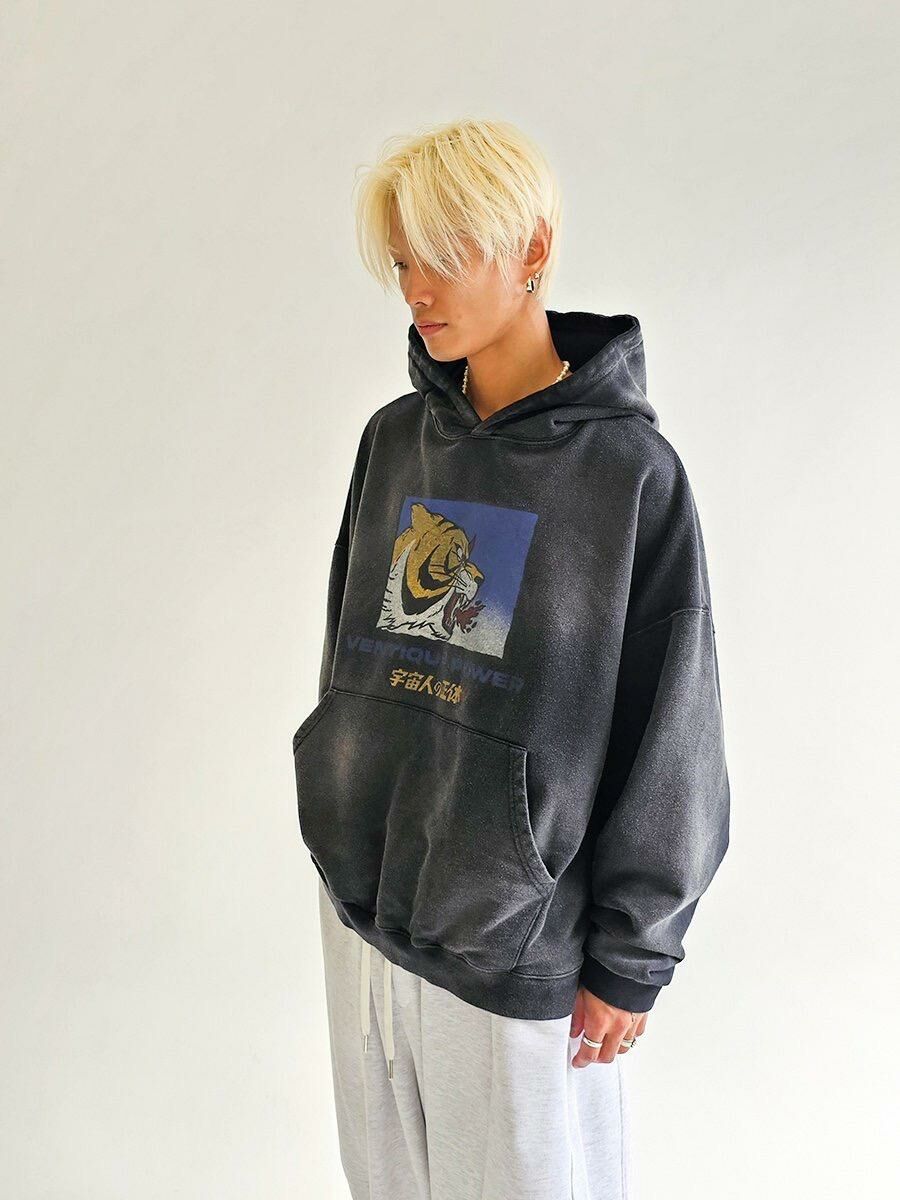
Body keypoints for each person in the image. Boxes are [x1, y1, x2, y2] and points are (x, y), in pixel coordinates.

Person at [291, 117, 731, 1200]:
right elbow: (353, 661)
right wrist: (340, 808)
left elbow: (672, 728)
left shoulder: (629, 474)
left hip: (516, 947)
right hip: (367, 921)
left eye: (444, 254)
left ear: (531, 249)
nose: (416, 289)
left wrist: (633, 954)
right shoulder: (395, 440)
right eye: (403, 261)